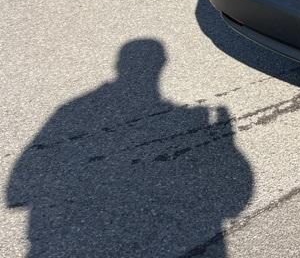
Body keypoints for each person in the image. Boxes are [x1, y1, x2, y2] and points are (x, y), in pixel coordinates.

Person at [6, 39, 253, 257]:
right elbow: (235, 202)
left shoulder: (71, 110)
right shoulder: (75, 111)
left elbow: (19, 188)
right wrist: (226, 142)